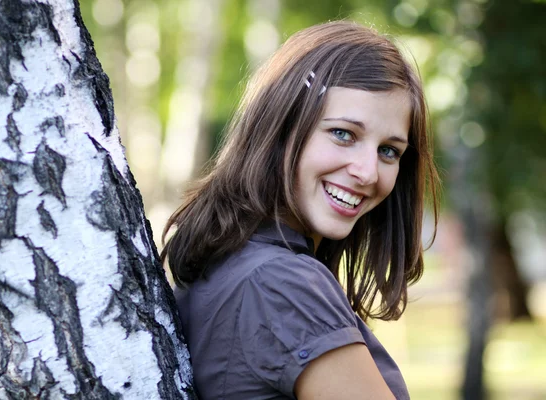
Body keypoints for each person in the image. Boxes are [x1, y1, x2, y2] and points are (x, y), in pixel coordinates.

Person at [161, 20, 439, 400]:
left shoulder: (234, 260)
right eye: (343, 134)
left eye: (388, 150)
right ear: (281, 127)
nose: (368, 171)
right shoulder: (283, 284)